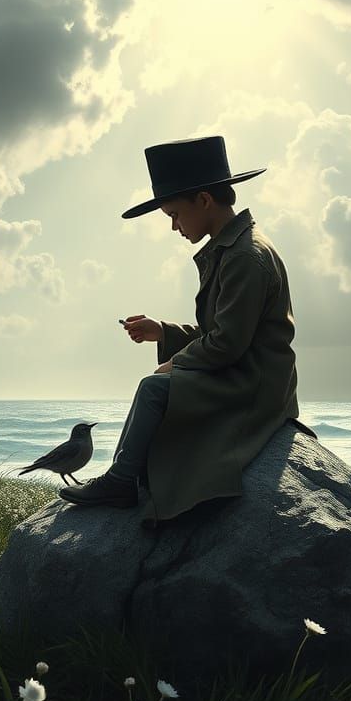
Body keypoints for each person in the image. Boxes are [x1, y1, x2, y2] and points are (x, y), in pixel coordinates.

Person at [58, 134, 316, 527]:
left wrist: (174, 364)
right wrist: (163, 332)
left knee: (153, 388)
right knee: (158, 386)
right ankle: (125, 477)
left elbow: (227, 344)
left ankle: (122, 481)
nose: (175, 227)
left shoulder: (246, 257)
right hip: (242, 372)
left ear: (204, 200)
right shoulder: (233, 249)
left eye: (175, 215)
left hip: (254, 385)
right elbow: (221, 329)